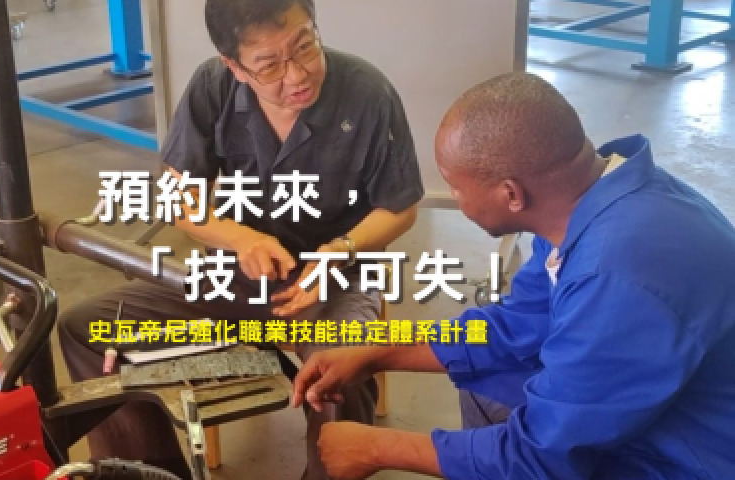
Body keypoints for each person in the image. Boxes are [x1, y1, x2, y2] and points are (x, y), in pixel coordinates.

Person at [291, 72, 735, 479]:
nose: (455, 200)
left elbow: (543, 456)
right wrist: (376, 352)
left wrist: (376, 449)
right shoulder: (590, 205)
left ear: (511, 194)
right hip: (658, 406)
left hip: (691, 457)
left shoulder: (617, 275)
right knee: (486, 388)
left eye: (456, 187)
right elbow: (516, 325)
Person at [57, 0, 423, 478]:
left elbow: (400, 206)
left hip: (332, 279)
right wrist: (239, 239)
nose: (297, 75)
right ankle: (151, 471)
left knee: (341, 367)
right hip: (233, 276)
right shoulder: (213, 86)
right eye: (270, 65)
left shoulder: (367, 93)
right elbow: (178, 196)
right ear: (234, 66)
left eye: (305, 46)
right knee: (87, 328)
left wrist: (340, 251)